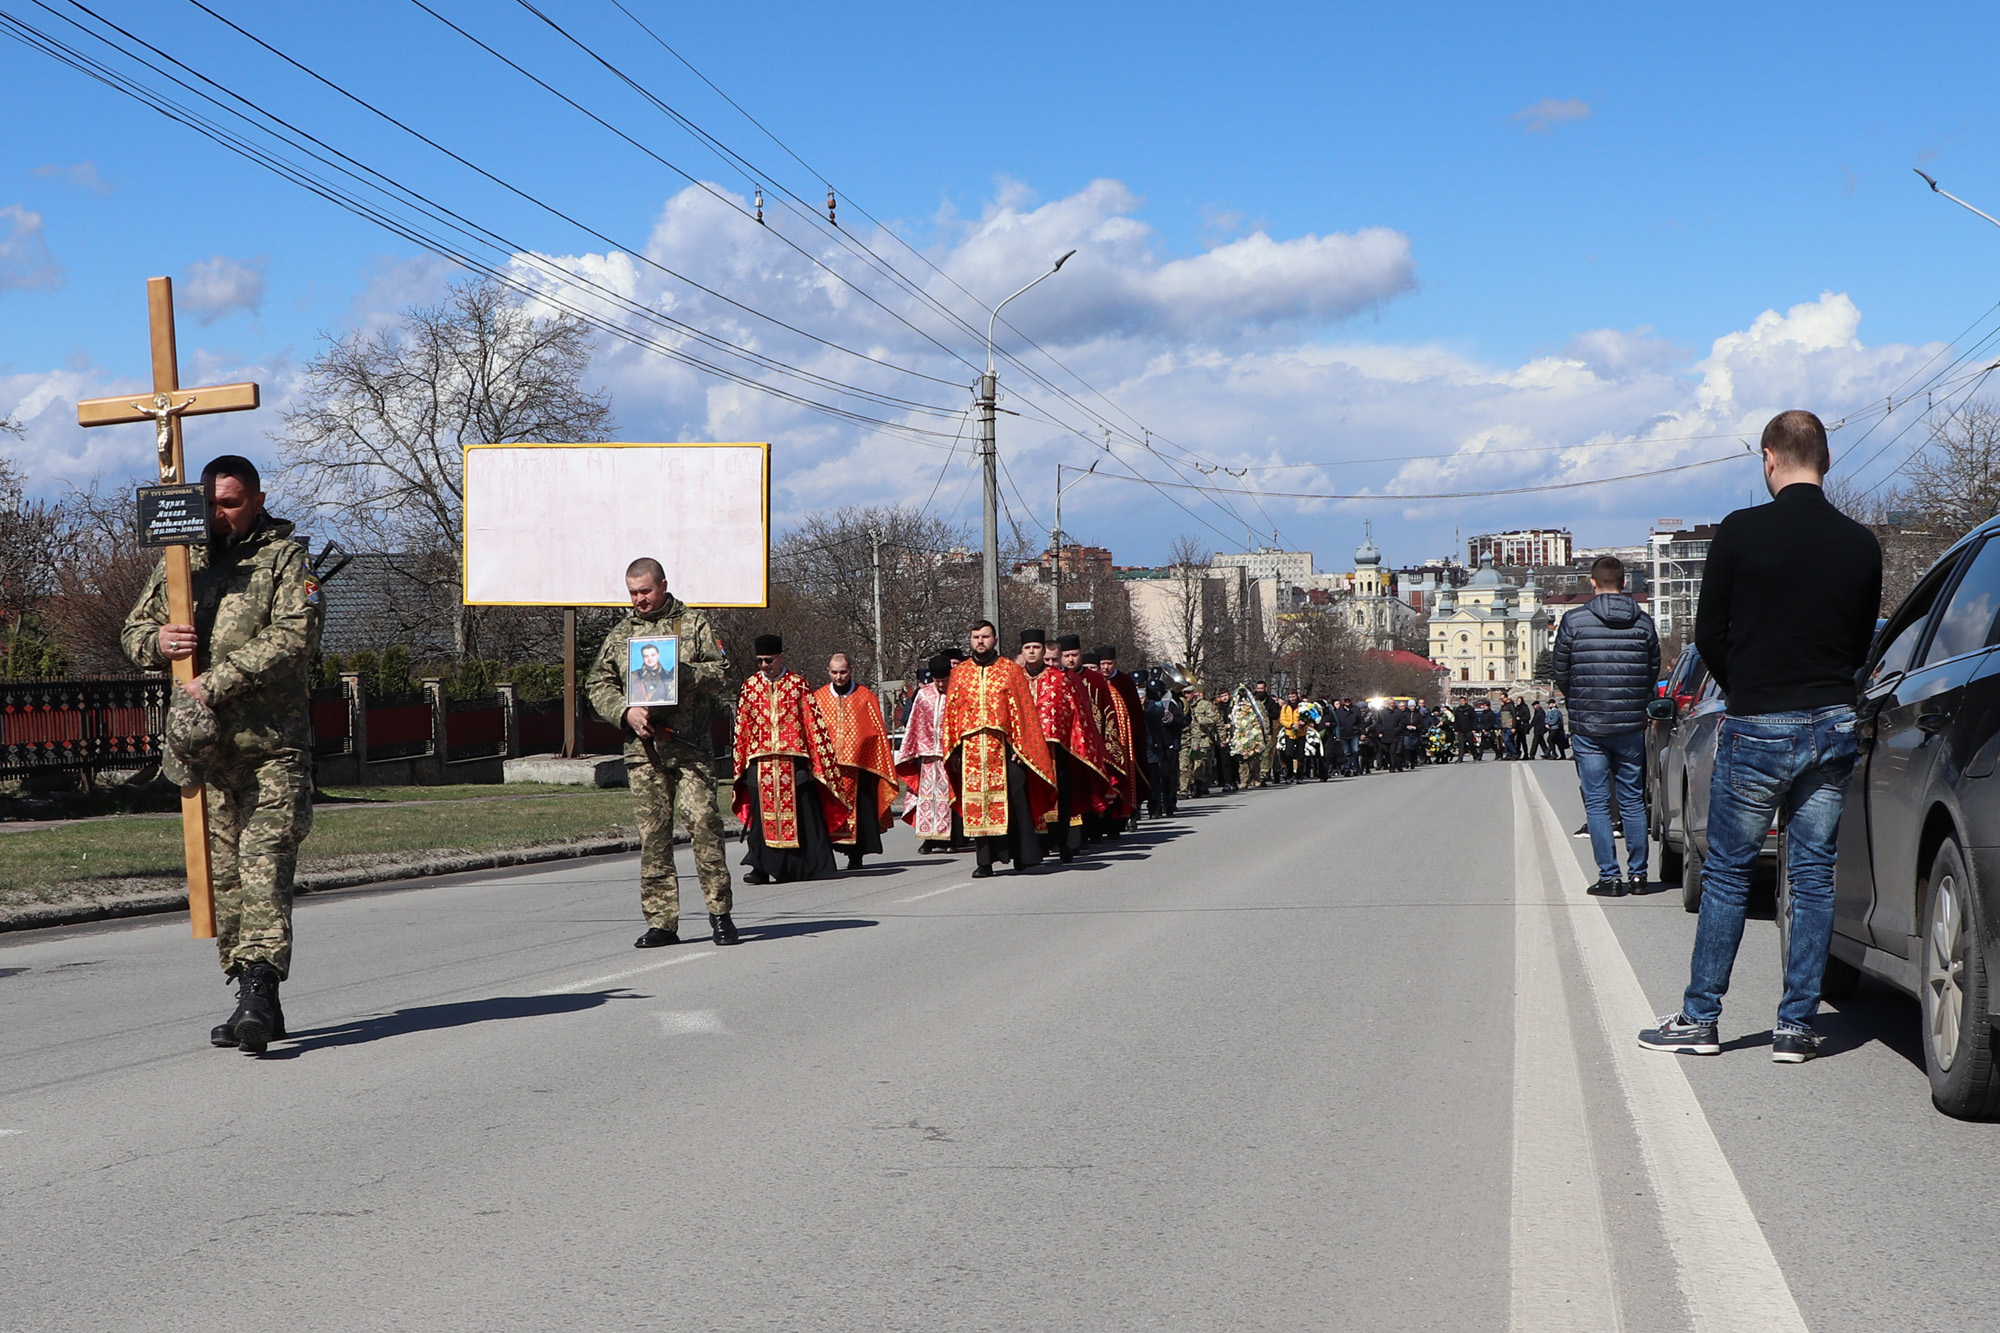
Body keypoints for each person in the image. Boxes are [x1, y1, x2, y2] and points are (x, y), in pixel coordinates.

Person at [1641, 410, 1882, 1062]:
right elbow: (1864, 642)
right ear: (1825, 461)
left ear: (1769, 458)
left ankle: (1701, 1018)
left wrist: (1746, 687)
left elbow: (1709, 633)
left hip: (1756, 722)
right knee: (1811, 876)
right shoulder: (1861, 545)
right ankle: (1795, 1026)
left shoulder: (1741, 533)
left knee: (1726, 874)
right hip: (1831, 721)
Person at [122, 455, 319, 1055]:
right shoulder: (181, 564)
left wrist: (215, 680)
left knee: (264, 869)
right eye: (208, 503)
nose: (216, 514)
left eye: (229, 503)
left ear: (257, 501)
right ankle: (249, 995)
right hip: (203, 758)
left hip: (270, 752)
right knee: (225, 882)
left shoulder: (286, 559)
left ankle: (259, 988)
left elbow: (294, 635)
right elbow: (133, 630)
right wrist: (156, 642)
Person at [587, 557, 736, 950]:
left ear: (663, 586)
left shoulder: (694, 623)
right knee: (653, 838)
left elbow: (722, 672)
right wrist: (625, 711)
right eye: (633, 593)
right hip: (645, 751)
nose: (639, 599)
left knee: (704, 828)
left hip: (689, 749)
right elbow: (597, 684)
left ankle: (720, 914)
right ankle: (662, 923)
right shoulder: (622, 636)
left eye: (645, 591)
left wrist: (683, 674)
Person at [1553, 554, 1661, 897]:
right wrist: (1635, 701)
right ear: (1625, 583)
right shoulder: (1643, 622)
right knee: (1631, 798)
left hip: (1589, 725)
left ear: (1592, 583)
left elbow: (1561, 673)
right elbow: (1651, 672)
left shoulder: (1574, 621)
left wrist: (1579, 701)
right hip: (1630, 723)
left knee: (1598, 802)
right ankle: (1640, 876)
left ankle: (1610, 877)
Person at [942, 620, 1059, 877]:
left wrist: (1022, 747)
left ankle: (1021, 856)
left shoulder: (1010, 670)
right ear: (970, 640)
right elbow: (951, 712)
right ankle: (984, 862)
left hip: (1004, 748)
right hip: (971, 749)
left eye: (985, 636)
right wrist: (953, 749)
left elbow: (1025, 712)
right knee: (978, 805)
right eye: (975, 637)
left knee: (1015, 800)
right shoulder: (960, 673)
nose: (980, 641)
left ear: (994, 639)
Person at [732, 635, 850, 885]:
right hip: (760, 761)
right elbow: (742, 726)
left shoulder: (798, 684)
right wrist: (741, 762)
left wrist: (816, 759)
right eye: (760, 661)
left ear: (781, 657)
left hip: (794, 760)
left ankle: (809, 865)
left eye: (769, 660)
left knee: (803, 811)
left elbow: (812, 725)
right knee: (760, 817)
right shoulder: (750, 686)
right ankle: (760, 866)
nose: (764, 665)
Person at [1022, 629, 1109, 863]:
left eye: (1036, 647)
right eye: (1027, 648)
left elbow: (1076, 714)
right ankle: (1038, 844)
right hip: (1025, 751)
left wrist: (1073, 742)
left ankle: (1062, 842)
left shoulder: (1059, 679)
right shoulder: (1016, 678)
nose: (1032, 652)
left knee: (1061, 795)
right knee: (1030, 796)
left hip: (1056, 749)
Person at [814, 653, 897, 871]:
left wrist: (864, 752)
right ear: (828, 671)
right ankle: (825, 857)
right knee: (826, 812)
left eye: (843, 672)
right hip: (829, 771)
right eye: (834, 672)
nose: (839, 677)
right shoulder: (819, 698)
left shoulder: (865, 696)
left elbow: (876, 733)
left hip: (859, 769)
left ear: (851, 670)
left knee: (859, 812)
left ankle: (856, 855)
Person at [895, 652, 967, 852]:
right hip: (927, 755)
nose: (942, 684)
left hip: (951, 753)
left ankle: (951, 839)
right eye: (938, 681)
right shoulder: (923, 695)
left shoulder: (959, 693)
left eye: (945, 680)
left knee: (949, 796)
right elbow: (913, 725)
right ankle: (929, 838)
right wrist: (910, 752)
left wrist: (959, 751)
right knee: (927, 797)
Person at [1095, 646, 1152, 827]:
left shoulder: (1124, 681)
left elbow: (1135, 713)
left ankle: (1132, 813)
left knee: (1131, 775)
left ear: (1115, 663)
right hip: (1104, 739)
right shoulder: (1095, 681)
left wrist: (1134, 737)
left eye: (1109, 664)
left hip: (1125, 740)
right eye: (1102, 664)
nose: (1105, 668)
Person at [1229, 684, 1271, 787]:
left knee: (1255, 757)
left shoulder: (1256, 705)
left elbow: (1263, 719)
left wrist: (1265, 732)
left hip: (1254, 733)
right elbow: (1231, 720)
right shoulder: (1236, 705)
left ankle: (1256, 777)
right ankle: (1244, 780)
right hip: (1241, 734)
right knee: (1242, 758)